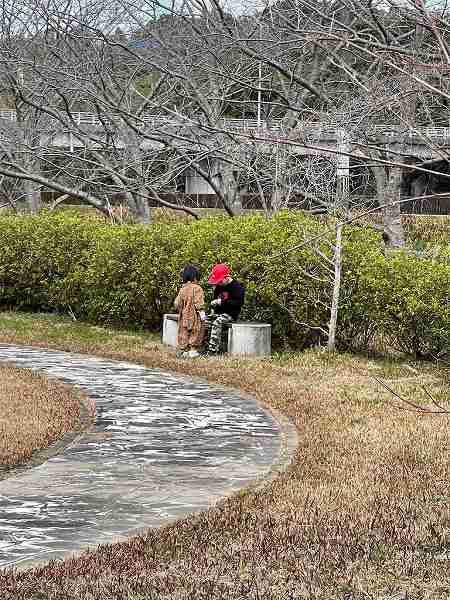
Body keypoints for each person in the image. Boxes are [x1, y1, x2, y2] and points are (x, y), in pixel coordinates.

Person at [204, 263, 245, 355]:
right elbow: (216, 299)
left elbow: (239, 303)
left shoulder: (237, 287)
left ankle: (213, 350)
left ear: (227, 277)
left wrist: (221, 302)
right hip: (219, 312)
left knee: (217, 322)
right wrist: (213, 307)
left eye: (220, 281)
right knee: (205, 321)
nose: (218, 283)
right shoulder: (219, 287)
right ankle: (204, 345)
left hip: (231, 314)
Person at [174, 265, 207, 358]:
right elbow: (199, 303)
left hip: (184, 316)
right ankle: (193, 350)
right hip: (194, 316)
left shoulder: (182, 289)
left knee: (184, 332)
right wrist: (203, 315)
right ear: (195, 278)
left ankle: (184, 351)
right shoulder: (197, 288)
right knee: (196, 331)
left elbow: (177, 303)